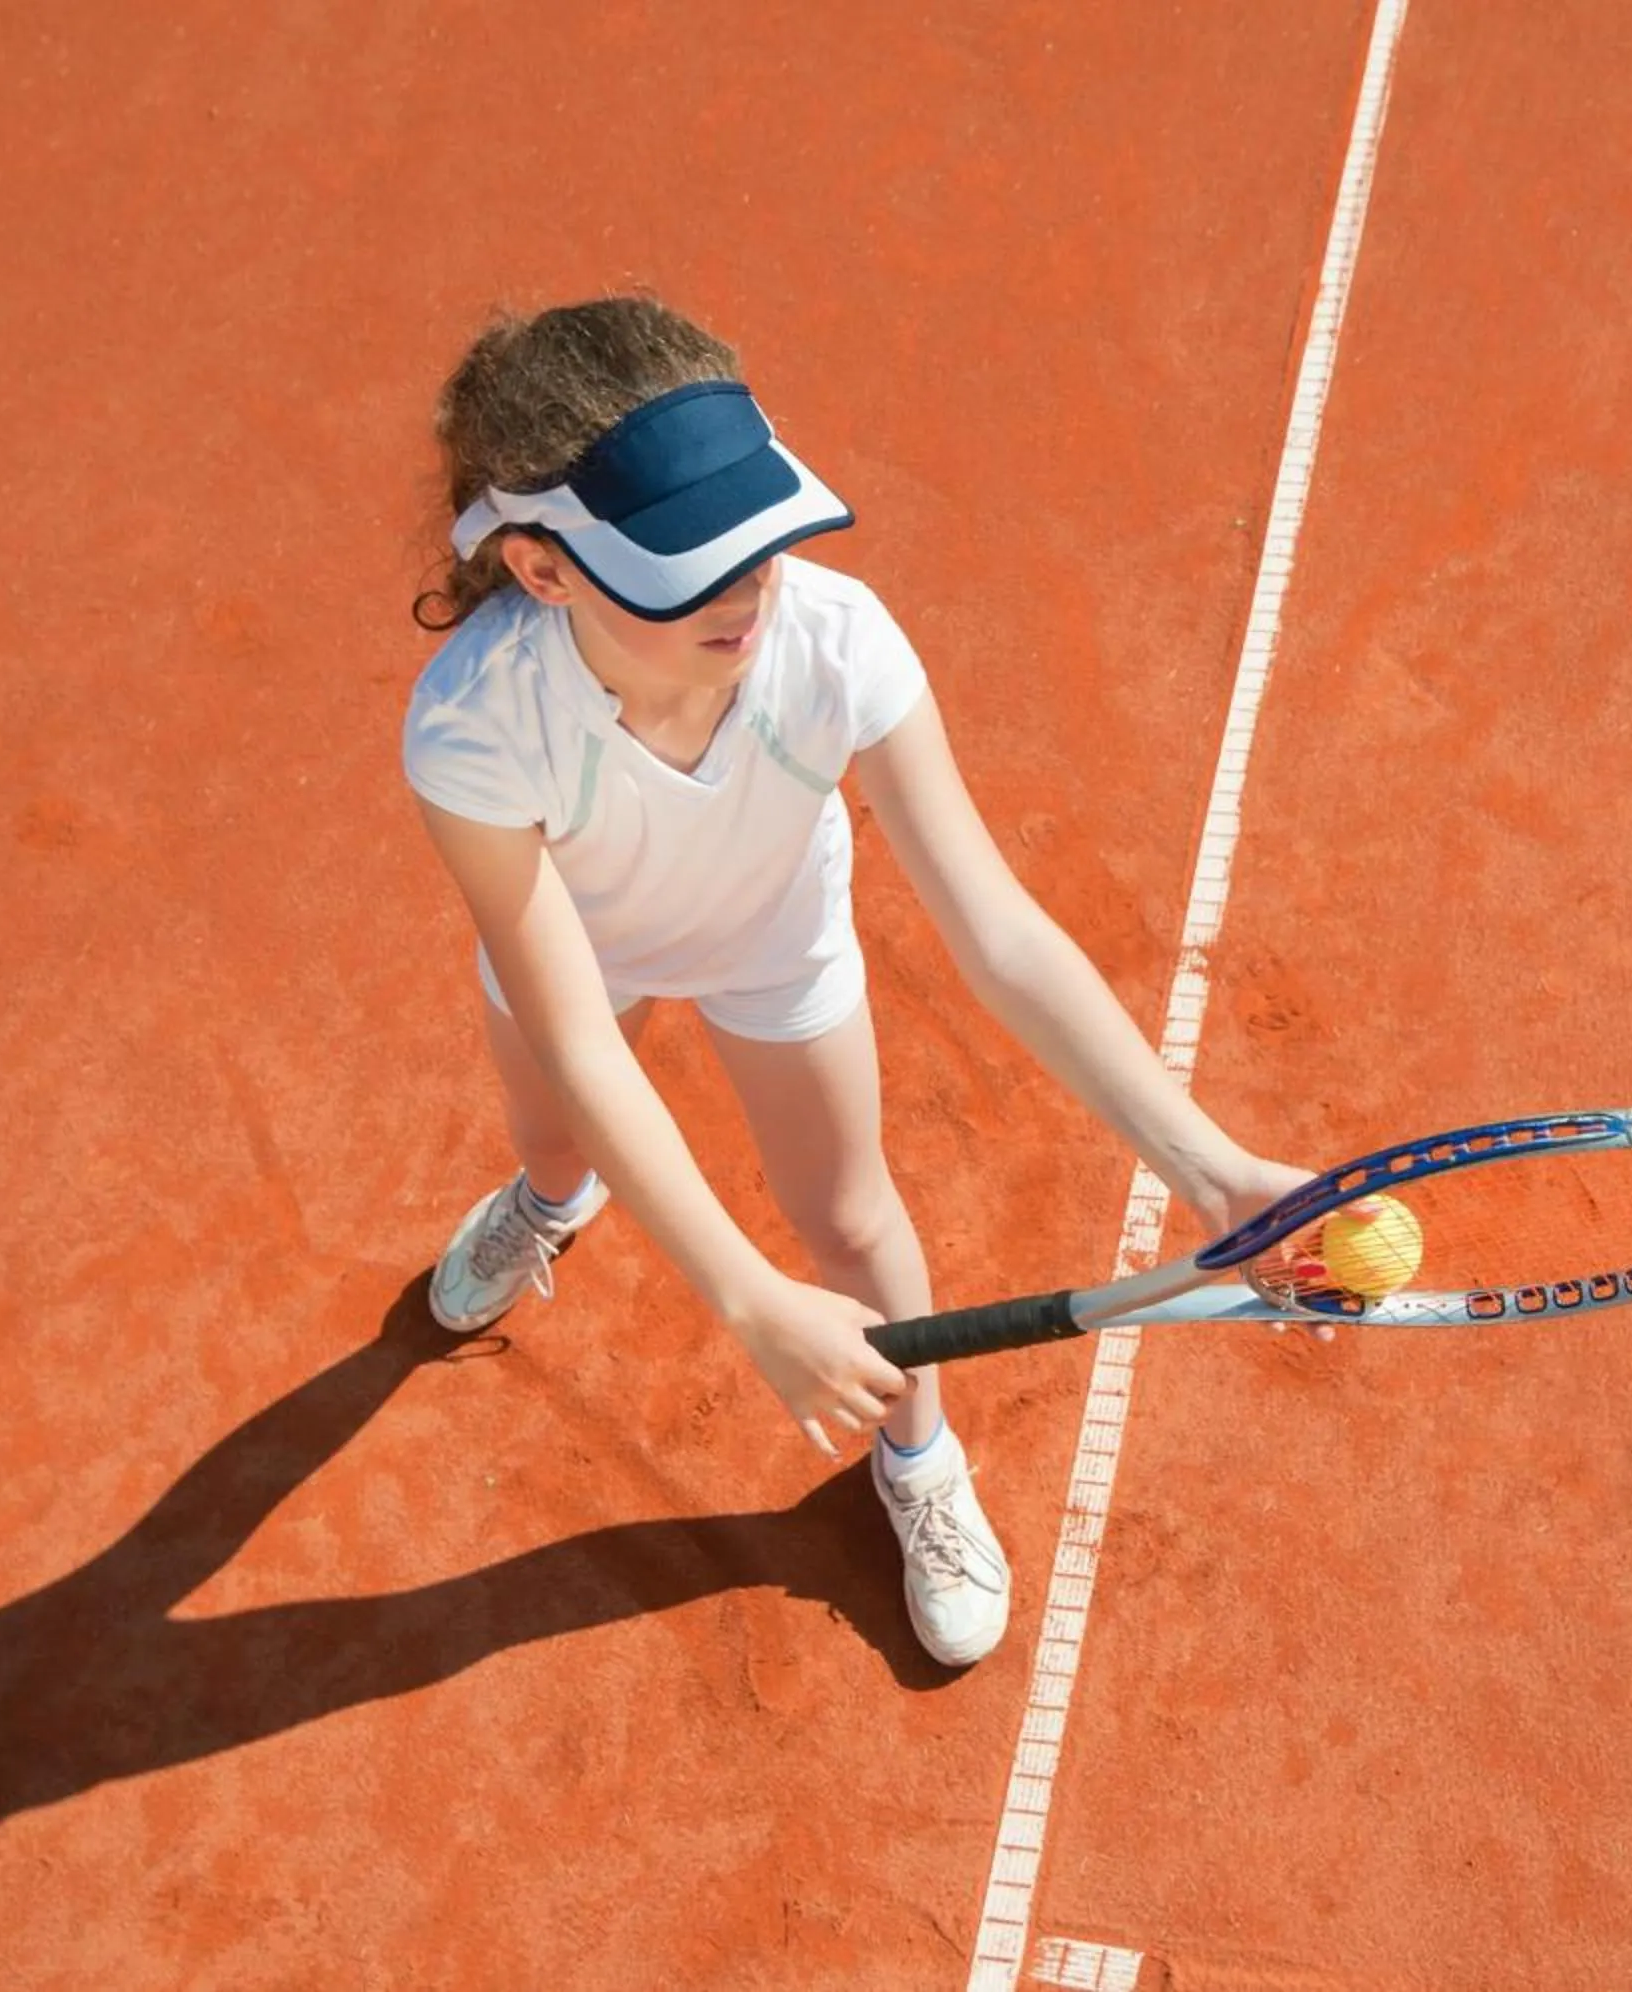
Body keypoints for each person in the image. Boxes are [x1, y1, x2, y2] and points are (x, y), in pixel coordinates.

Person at [399, 297, 1305, 1668]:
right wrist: (746, 1302)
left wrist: (1209, 1166)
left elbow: (996, 929)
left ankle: (918, 1456)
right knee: (558, 1134)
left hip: (779, 942)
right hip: (582, 960)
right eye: (693, 569)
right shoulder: (472, 724)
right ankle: (547, 1205)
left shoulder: (839, 640)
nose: (750, 592)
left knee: (852, 1217)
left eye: (762, 545)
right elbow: (584, 1038)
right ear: (542, 571)